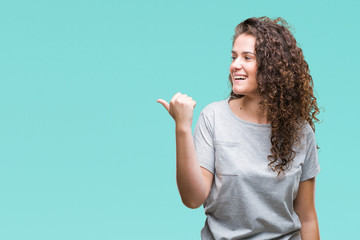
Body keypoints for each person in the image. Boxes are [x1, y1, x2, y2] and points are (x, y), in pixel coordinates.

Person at [157, 16, 321, 240]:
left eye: (247, 57)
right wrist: (182, 128)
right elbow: (193, 199)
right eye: (234, 57)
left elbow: (307, 217)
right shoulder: (214, 118)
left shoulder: (300, 132)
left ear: (273, 67)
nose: (235, 65)